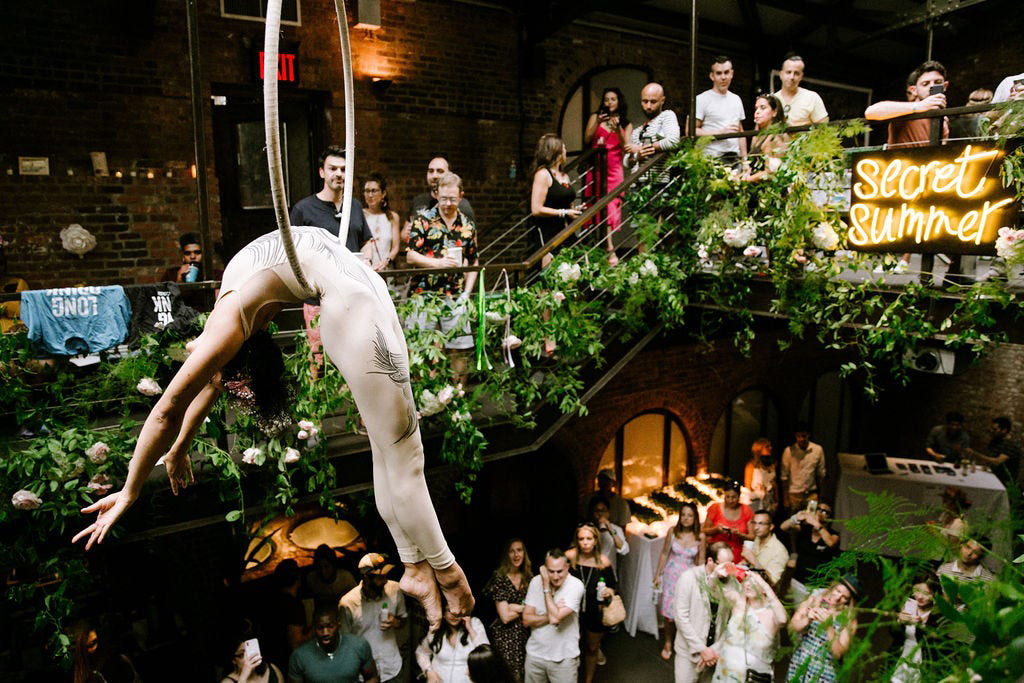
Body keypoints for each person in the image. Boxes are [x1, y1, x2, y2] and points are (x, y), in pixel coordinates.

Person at [73, 225, 475, 631]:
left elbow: (167, 410)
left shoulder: (227, 331)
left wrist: (131, 489)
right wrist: (178, 449)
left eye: (239, 391)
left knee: (402, 457)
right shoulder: (229, 321)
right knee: (395, 453)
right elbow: (212, 381)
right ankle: (420, 567)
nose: (230, 393)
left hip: (356, 303)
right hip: (360, 289)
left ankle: (441, 571)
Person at [405, 171, 480, 383]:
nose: (447, 203)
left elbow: (474, 261)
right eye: (444, 198)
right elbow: (410, 256)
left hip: (455, 295)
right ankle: (424, 397)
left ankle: (457, 396)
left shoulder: (468, 225)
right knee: (420, 348)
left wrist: (467, 293)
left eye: (453, 199)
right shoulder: (423, 220)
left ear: (461, 196)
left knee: (460, 348)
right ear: (436, 194)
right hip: (423, 294)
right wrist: (438, 263)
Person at [289, 146, 373, 255]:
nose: (339, 174)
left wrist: (367, 259)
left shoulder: (355, 205)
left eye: (343, 169)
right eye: (332, 169)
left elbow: (365, 242)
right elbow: (293, 251)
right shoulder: (303, 209)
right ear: (322, 172)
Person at [339, 553, 408, 683]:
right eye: (380, 577)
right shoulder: (348, 603)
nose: (385, 581)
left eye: (386, 576)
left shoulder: (395, 589)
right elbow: (345, 643)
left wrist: (396, 622)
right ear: (366, 578)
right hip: (365, 675)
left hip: (392, 667)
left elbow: (403, 620)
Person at [583, 87, 633, 265]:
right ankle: (597, 247)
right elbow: (587, 138)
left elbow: (625, 146)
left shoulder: (626, 123)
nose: (609, 102)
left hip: (614, 169)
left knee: (611, 205)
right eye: (606, 99)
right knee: (595, 204)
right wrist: (598, 122)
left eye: (613, 99)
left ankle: (609, 247)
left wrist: (617, 127)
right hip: (596, 167)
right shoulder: (595, 117)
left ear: (619, 101)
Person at [710, 567, 787, 682]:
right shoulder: (739, 602)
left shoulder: (771, 613)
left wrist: (765, 585)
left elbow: (783, 619)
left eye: (754, 582)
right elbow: (713, 590)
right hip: (724, 672)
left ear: (764, 588)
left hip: (752, 677)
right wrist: (717, 574)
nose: (748, 585)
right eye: (746, 581)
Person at [521, 548, 586, 683]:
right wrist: (552, 612)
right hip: (535, 655)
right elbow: (526, 620)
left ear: (567, 567)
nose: (555, 577)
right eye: (551, 571)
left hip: (564, 658)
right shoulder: (535, 582)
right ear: (545, 569)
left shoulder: (575, 585)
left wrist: (546, 588)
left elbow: (555, 618)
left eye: (559, 571)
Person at [673, 542, 732, 683]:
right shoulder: (688, 578)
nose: (729, 570)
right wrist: (701, 649)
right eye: (724, 565)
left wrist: (714, 650)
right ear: (710, 561)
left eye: (731, 564)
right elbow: (681, 617)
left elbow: (731, 621)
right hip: (688, 653)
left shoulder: (730, 582)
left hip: (714, 655)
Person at [566, 523, 617, 683]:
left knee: (592, 648)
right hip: (571, 610)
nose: (585, 543)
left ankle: (588, 680)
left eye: (589, 539)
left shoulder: (603, 561)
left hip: (594, 610)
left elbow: (613, 585)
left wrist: (609, 591)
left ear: (595, 540)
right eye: (582, 539)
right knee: (570, 648)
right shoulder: (569, 556)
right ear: (577, 540)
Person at [653, 501, 705, 661]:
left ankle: (682, 643)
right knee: (669, 615)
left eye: (690, 515)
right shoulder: (672, 532)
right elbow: (664, 553)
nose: (686, 518)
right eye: (683, 515)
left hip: (689, 578)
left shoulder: (700, 537)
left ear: (695, 518)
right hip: (671, 577)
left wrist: (702, 583)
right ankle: (668, 642)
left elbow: (701, 562)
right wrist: (658, 574)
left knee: (685, 613)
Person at [787, 576, 859, 683]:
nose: (837, 597)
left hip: (824, 673)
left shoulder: (848, 620)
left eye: (844, 597)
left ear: (849, 601)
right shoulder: (815, 600)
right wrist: (808, 619)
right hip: (800, 664)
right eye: (838, 591)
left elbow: (838, 654)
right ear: (833, 587)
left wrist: (829, 626)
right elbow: (793, 627)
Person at [865, 60, 950, 148]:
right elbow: (870, 112)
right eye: (925, 84)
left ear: (945, 86)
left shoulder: (944, 120)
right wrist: (920, 106)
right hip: (900, 156)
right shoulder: (904, 110)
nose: (931, 87)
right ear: (914, 90)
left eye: (937, 82)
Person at [482, 538, 533, 682]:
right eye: (512, 551)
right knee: (508, 677)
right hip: (505, 637)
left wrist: (514, 607)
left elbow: (536, 608)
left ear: (524, 553)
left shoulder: (529, 578)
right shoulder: (500, 578)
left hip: (526, 634)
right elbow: (505, 617)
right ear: (506, 555)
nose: (516, 555)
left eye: (519, 550)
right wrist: (525, 608)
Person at [288, 605, 378, 683]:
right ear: (314, 628)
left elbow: (371, 677)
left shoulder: (358, 646)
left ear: (338, 623)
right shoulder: (300, 656)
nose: (325, 633)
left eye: (330, 626)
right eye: (320, 628)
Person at [529, 134, 581, 267]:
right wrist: (563, 212)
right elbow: (536, 209)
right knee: (551, 272)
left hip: (566, 231)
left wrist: (574, 211)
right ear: (555, 152)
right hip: (549, 232)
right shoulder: (543, 174)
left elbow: (567, 203)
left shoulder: (565, 176)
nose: (566, 151)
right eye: (563, 148)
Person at [780, 501, 840, 605]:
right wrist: (796, 518)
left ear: (830, 517)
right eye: (818, 509)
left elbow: (831, 542)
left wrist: (816, 523)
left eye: (824, 511)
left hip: (820, 586)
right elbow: (783, 527)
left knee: (816, 611)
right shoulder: (805, 528)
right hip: (799, 582)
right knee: (798, 611)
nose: (820, 512)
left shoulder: (833, 534)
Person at [404, 156, 476, 244]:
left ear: (449, 174)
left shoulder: (463, 205)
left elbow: (472, 240)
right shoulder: (418, 200)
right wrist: (412, 232)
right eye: (431, 171)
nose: (434, 175)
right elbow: (404, 235)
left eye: (440, 171)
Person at [415, 598, 489, 683]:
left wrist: (470, 628)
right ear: (443, 613)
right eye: (449, 611)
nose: (454, 615)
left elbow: (485, 653)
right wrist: (428, 670)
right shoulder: (436, 629)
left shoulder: (474, 623)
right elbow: (421, 652)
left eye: (457, 610)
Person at [891, 575, 946, 683]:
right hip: (901, 662)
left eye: (926, 593)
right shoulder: (907, 605)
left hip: (924, 667)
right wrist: (899, 621)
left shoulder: (939, 614)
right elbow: (893, 634)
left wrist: (921, 626)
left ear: (934, 593)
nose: (920, 596)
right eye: (916, 591)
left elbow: (938, 644)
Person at [693, 57, 746, 168]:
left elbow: (741, 133)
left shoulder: (736, 99)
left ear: (732, 74)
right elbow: (691, 130)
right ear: (712, 76)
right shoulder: (702, 99)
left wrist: (745, 161)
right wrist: (720, 132)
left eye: (726, 72)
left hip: (735, 160)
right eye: (719, 73)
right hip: (711, 159)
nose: (723, 77)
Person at [625, 82, 681, 185]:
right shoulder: (637, 131)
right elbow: (626, 162)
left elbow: (673, 141)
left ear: (662, 100)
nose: (648, 106)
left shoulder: (666, 116)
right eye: (645, 101)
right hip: (636, 183)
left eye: (653, 102)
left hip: (658, 183)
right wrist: (637, 156)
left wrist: (641, 148)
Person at [259, 559, 309, 671]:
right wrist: (315, 629)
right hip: (286, 663)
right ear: (298, 578)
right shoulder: (293, 606)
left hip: (268, 659)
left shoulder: (269, 600)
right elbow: (296, 643)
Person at [70, 619, 141, 683]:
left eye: (97, 641)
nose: (97, 647)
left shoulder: (118, 661)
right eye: (91, 644)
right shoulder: (79, 670)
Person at [741, 94, 789, 184]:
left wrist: (745, 180)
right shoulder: (757, 134)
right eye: (756, 108)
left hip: (771, 186)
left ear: (774, 112)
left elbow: (770, 172)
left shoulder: (776, 137)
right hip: (755, 183)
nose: (757, 112)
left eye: (763, 108)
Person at [702, 480, 753, 562]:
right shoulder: (715, 508)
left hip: (739, 554)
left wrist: (740, 534)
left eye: (734, 497)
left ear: (739, 496)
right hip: (717, 552)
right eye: (727, 497)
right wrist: (716, 529)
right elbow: (704, 530)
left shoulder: (746, 510)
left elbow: (752, 536)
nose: (730, 500)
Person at [779, 423, 826, 512]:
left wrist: (821, 496)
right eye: (798, 436)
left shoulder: (817, 450)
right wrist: (786, 499)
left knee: (812, 517)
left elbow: (821, 474)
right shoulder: (789, 451)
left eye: (803, 436)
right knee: (793, 518)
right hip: (794, 495)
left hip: (811, 494)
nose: (801, 439)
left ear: (808, 435)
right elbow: (784, 477)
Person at [773, 55, 829, 126]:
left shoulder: (812, 98)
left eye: (796, 73)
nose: (792, 77)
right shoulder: (772, 100)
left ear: (801, 76)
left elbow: (824, 126)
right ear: (781, 75)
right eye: (788, 72)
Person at [362, 173, 401, 272]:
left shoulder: (392, 217)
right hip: (365, 268)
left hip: (386, 268)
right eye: (367, 191)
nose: (370, 195)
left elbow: (395, 247)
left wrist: (386, 261)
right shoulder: (360, 215)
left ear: (383, 193)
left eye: (374, 191)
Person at [741, 509, 788, 589]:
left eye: (761, 523)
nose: (756, 527)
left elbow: (771, 583)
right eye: (754, 523)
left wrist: (754, 561)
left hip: (763, 593)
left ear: (771, 527)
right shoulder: (757, 539)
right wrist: (745, 563)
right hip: (749, 586)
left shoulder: (779, 551)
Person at [304, 544, 357, 611]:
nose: (323, 571)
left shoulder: (346, 578)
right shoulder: (312, 579)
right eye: (319, 567)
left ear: (333, 565)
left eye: (326, 567)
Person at [973, 416, 1021, 486]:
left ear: (1004, 430)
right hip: (992, 477)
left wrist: (974, 453)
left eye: (994, 429)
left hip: (1005, 483)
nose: (991, 431)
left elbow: (997, 461)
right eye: (991, 428)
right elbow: (989, 458)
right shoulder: (995, 441)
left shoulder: (1011, 445)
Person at [588, 496, 629, 574]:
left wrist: (610, 528)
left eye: (603, 510)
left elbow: (624, 550)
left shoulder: (616, 529)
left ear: (608, 512)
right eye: (596, 511)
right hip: (590, 570)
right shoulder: (586, 528)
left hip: (608, 572)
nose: (600, 514)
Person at [743, 437, 777, 512]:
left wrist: (776, 500)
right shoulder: (751, 465)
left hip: (769, 499)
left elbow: (774, 484)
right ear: (759, 449)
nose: (770, 448)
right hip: (756, 499)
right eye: (767, 446)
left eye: (770, 446)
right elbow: (747, 486)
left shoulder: (772, 464)